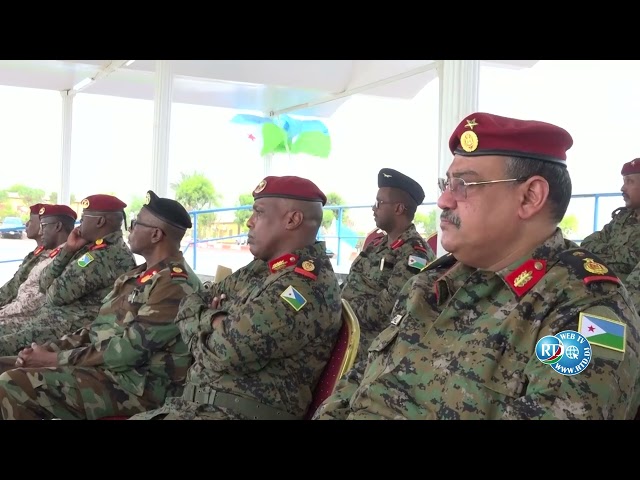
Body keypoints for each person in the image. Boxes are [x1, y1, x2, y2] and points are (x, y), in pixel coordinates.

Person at [314, 112, 640, 420]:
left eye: (464, 185)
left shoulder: (586, 310)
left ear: (530, 197)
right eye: (447, 184)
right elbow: (359, 385)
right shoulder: (431, 282)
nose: (443, 200)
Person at [130, 175, 342, 420]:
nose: (249, 222)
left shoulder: (305, 286)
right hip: (194, 407)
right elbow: (190, 302)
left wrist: (209, 318)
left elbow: (223, 350)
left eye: (259, 213)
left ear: (292, 220)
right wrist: (218, 321)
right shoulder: (262, 269)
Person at [0, 191, 201, 420]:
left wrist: (53, 360)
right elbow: (97, 328)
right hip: (108, 370)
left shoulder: (175, 284)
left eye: (136, 224)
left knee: (14, 384)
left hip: (138, 386)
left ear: (156, 234)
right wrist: (50, 349)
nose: (129, 229)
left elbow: (126, 351)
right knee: (6, 367)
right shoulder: (138, 275)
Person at [0, 194, 137, 356]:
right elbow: (44, 283)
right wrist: (68, 250)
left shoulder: (106, 256)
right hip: (50, 320)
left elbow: (55, 296)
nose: (80, 223)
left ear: (100, 222)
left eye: (84, 218)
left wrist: (62, 265)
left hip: (69, 329)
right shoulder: (89, 248)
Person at [341, 168, 435, 364]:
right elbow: (351, 282)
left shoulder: (415, 253)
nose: (373, 208)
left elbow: (390, 308)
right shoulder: (377, 244)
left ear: (399, 208)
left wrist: (343, 311)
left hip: (375, 351)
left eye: (379, 202)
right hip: (349, 336)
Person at [0, 204, 76, 319]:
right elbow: (15, 285)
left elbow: (31, 302)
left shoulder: (64, 258)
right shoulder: (46, 253)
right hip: (16, 310)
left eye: (43, 226)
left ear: (57, 227)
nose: (41, 232)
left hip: (26, 317)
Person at [580, 159, 640, 282]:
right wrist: (622, 254)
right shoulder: (622, 218)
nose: (622, 188)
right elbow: (587, 244)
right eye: (624, 182)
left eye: (630, 182)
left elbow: (633, 261)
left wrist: (604, 252)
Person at [0, 203, 52, 307]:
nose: (27, 224)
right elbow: (13, 285)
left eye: (31, 220)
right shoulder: (36, 253)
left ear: (42, 225)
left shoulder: (52, 257)